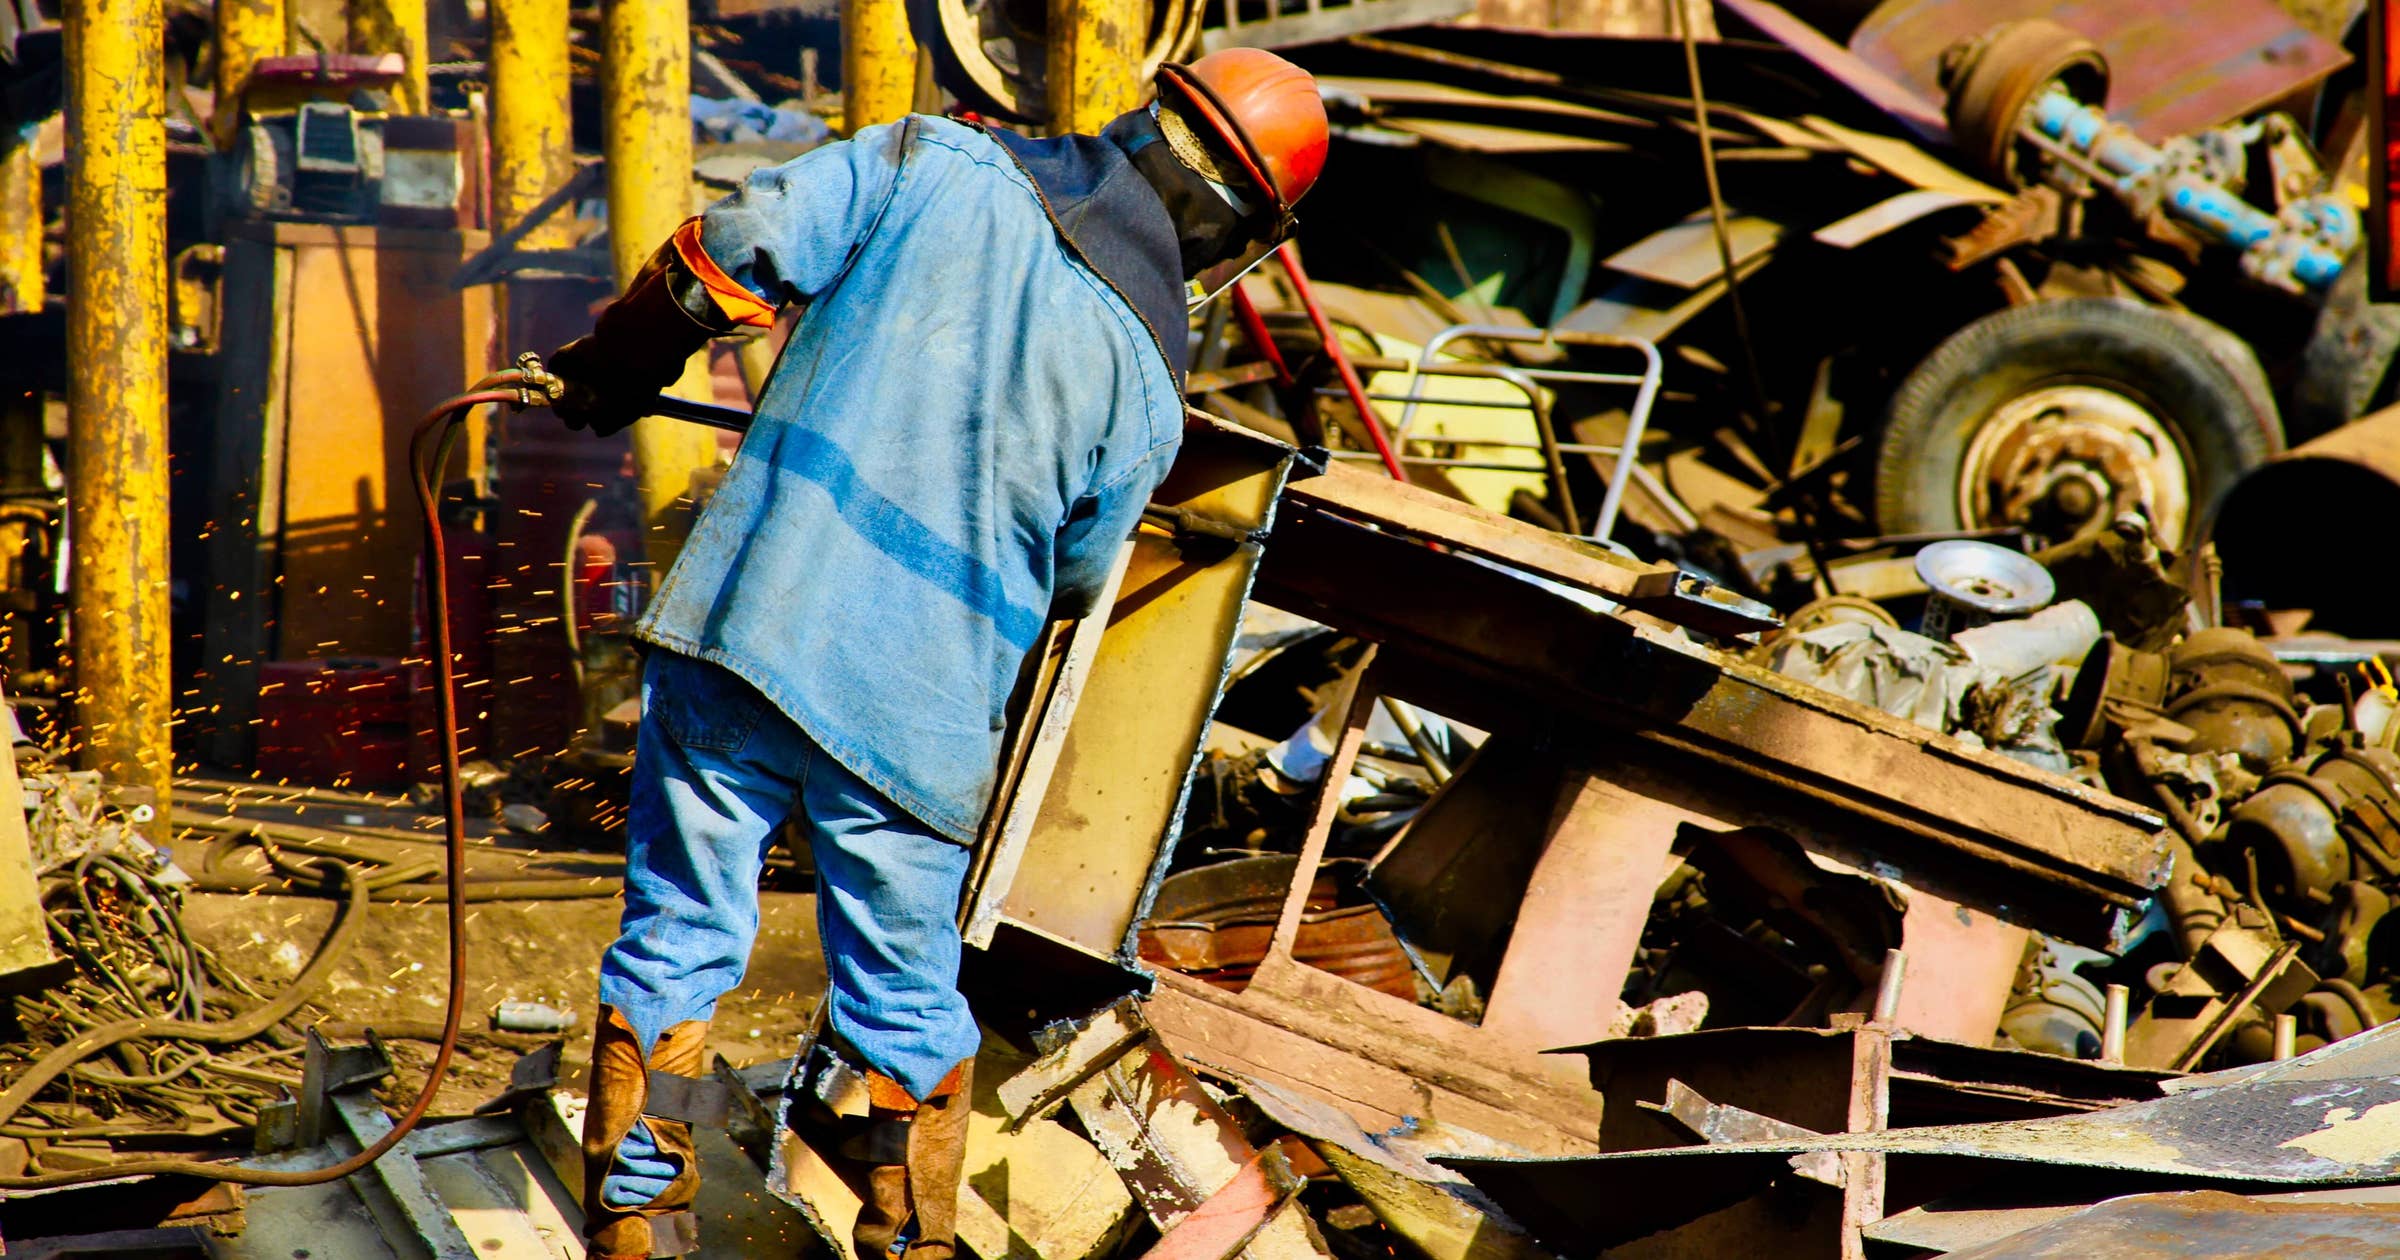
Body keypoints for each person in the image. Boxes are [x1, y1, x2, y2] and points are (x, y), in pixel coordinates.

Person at [542, 50, 1328, 1260]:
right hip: (921, 703)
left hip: (749, 620)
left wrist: (614, 366)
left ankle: (640, 1219)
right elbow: (1075, 574)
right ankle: (910, 1242)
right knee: (903, 989)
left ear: (1146, 117)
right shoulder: (1149, 382)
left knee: (680, 933)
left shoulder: (934, 159)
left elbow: (730, 250)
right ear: (1243, 231)